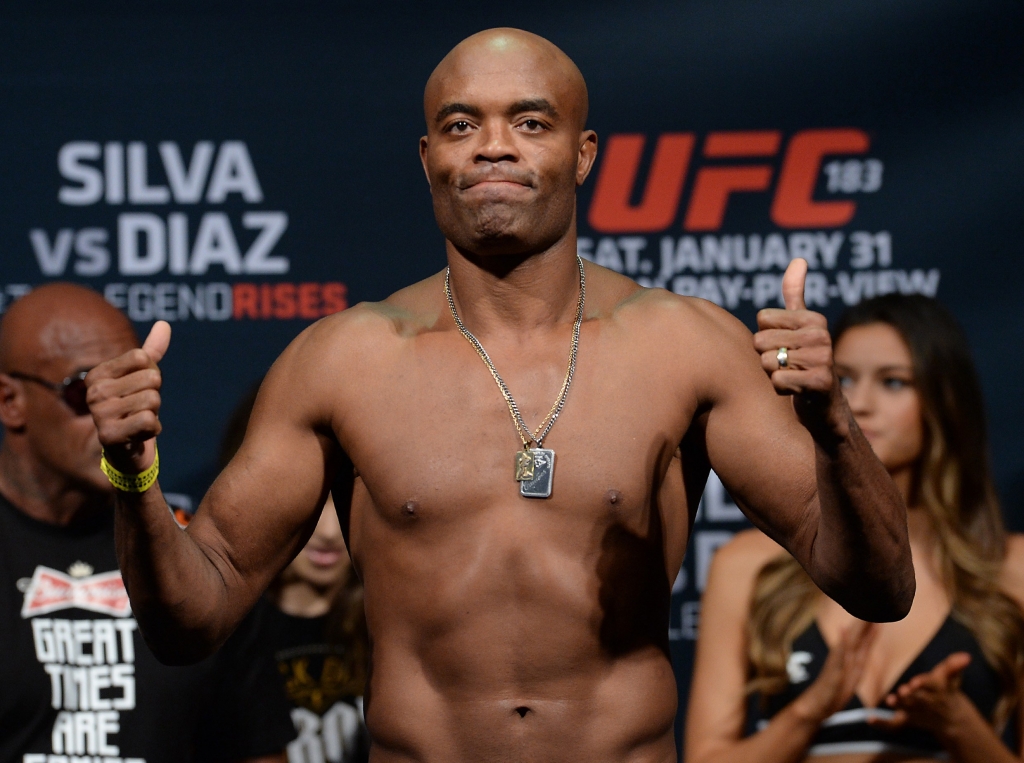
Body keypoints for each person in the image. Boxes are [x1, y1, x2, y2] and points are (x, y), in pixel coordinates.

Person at [84, 28, 915, 762]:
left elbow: (881, 588)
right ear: (426, 158)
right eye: (460, 125)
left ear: (582, 153)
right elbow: (191, 618)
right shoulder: (343, 361)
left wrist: (833, 425)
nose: (492, 147)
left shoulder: (685, 345)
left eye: (529, 121)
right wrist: (132, 477)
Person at [686, 294, 1024, 763]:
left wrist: (959, 725)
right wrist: (810, 711)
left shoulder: (1012, 569)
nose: (859, 404)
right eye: (842, 379)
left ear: (945, 401)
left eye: (893, 382)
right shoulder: (747, 567)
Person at [0, 282, 293, 763]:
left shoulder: (201, 556)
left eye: (131, 387)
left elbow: (255, 750)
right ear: (11, 401)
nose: (112, 412)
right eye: (84, 391)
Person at [220, 387, 371, 763]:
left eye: (343, 499)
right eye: (315, 501)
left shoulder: (391, 623)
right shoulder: (232, 630)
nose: (329, 533)